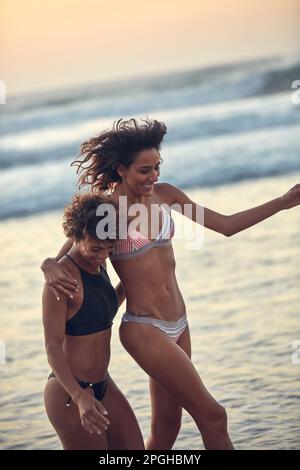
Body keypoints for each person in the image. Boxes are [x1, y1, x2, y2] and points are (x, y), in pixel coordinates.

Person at [41, 118, 300, 450]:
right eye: (144, 170)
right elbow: (73, 251)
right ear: (121, 169)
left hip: (179, 323)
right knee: (214, 417)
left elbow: (226, 225)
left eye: (157, 167)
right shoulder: (108, 211)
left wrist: (282, 202)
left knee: (166, 430)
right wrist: (48, 265)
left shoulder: (166, 195)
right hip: (144, 327)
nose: (153, 177)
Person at [42, 192, 144, 450]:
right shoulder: (62, 280)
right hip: (69, 393)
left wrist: (137, 281)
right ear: (75, 236)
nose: (103, 255)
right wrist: (79, 397)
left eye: (109, 248)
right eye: (96, 247)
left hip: (103, 384)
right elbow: (52, 347)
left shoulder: (98, 265)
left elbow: (99, 311)